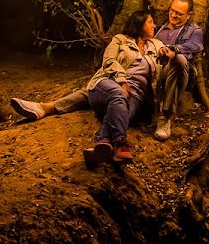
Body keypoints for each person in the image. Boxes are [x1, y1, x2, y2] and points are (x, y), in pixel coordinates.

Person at [9, 10, 164, 165]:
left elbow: (174, 53)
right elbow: (109, 61)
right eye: (150, 22)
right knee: (118, 95)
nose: (154, 25)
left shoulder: (156, 45)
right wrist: (122, 81)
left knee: (122, 113)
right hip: (110, 82)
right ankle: (120, 144)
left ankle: (103, 142)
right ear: (138, 23)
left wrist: (172, 53)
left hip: (135, 94)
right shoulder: (120, 40)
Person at [152, 0, 204, 141]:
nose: (173, 15)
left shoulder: (194, 30)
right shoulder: (157, 28)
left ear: (188, 15)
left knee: (178, 59)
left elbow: (195, 45)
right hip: (156, 70)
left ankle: (165, 117)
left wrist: (174, 50)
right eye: (172, 10)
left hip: (180, 73)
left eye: (179, 13)